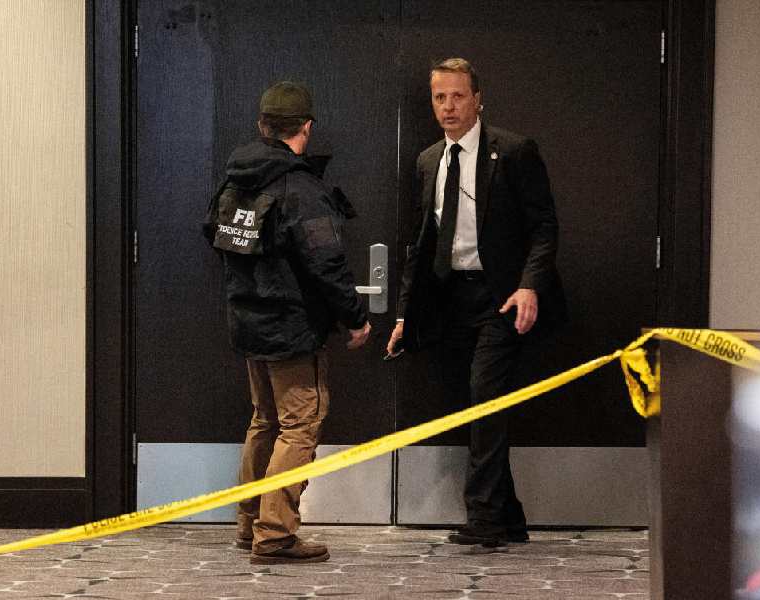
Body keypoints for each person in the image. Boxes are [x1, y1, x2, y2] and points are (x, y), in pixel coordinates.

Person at [387, 58, 561, 547]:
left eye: (458, 96)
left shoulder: (514, 151)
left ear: (478, 99)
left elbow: (544, 227)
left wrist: (530, 285)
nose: (448, 106)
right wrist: (406, 313)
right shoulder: (428, 161)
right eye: (440, 97)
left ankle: (483, 518)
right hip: (450, 297)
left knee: (485, 402)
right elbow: (420, 246)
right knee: (475, 403)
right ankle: (510, 517)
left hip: (501, 296)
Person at [204, 81, 370, 564]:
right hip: (292, 328)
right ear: (307, 128)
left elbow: (213, 236)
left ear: (262, 126)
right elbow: (326, 262)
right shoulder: (299, 187)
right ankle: (274, 534)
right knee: (300, 425)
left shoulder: (234, 181)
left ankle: (248, 524)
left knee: (264, 420)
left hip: (249, 321)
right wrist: (354, 318)